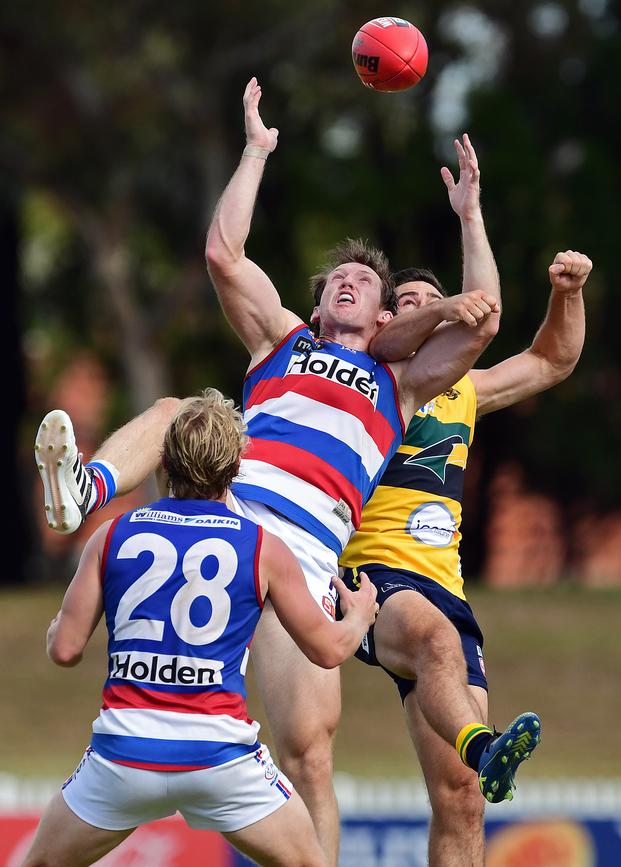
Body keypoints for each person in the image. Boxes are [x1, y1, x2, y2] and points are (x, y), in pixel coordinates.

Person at [35, 78, 505, 864]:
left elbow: (482, 314)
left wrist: (470, 218)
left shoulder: (401, 382)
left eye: (366, 284)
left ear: (387, 319)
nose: (347, 282)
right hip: (227, 531)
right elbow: (224, 252)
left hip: (301, 565)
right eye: (337, 281)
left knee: (307, 754)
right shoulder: (282, 342)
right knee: (175, 408)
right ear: (317, 306)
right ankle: (83, 490)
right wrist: (255, 151)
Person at [23, 388, 380, 867]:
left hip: (124, 756)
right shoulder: (263, 547)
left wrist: (55, 628)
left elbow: (64, 650)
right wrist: (358, 615)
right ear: (235, 469)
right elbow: (328, 649)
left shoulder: (112, 535)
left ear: (163, 463)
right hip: (220, 758)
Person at [340, 246, 592, 866]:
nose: (428, 315)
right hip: (369, 578)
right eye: (409, 306)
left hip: (444, 591)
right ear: (387, 324)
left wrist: (567, 293)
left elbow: (552, 359)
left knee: (462, 799)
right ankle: (483, 743)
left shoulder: (465, 391)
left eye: (437, 306)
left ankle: (480, 754)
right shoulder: (365, 378)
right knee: (433, 646)